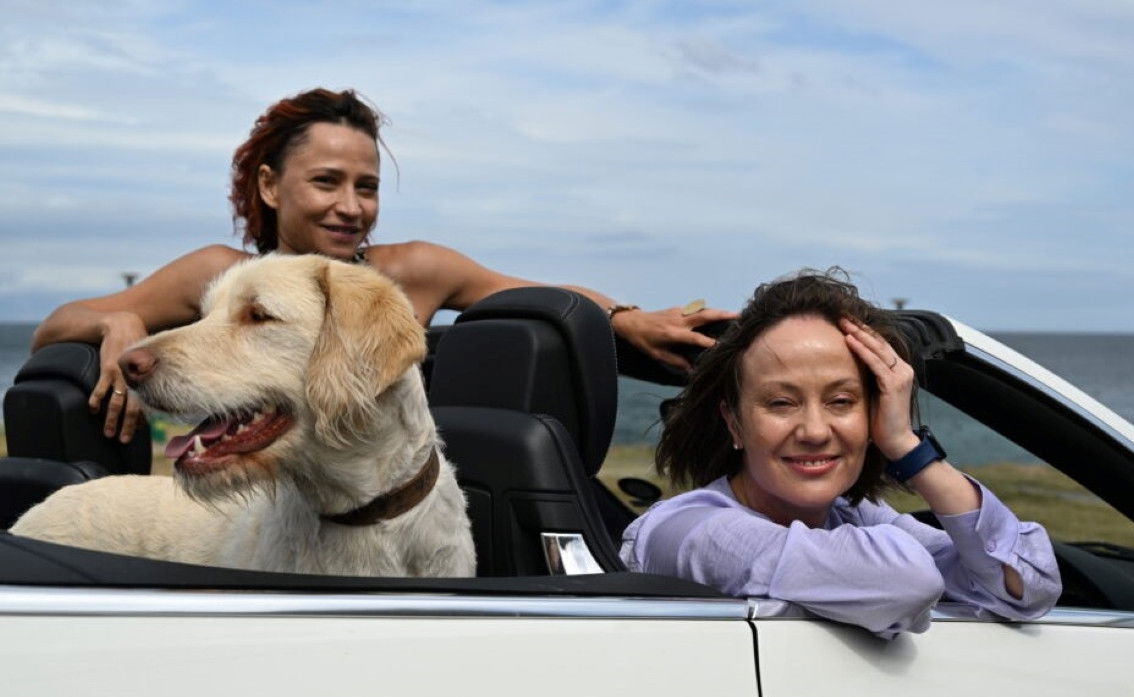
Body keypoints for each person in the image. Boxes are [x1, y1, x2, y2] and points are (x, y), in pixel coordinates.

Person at [32, 88, 735, 444]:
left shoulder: (412, 271)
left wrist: (624, 319)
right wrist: (118, 323)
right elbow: (56, 328)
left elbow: (542, 295)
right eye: (326, 182)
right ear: (271, 186)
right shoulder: (221, 277)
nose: (350, 207)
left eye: (366, 187)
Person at [619, 269, 1061, 637]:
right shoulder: (687, 530)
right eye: (781, 403)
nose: (814, 431)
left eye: (841, 401)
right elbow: (908, 580)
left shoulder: (854, 516)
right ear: (734, 422)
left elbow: (1027, 583)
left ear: (874, 416)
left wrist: (906, 445)